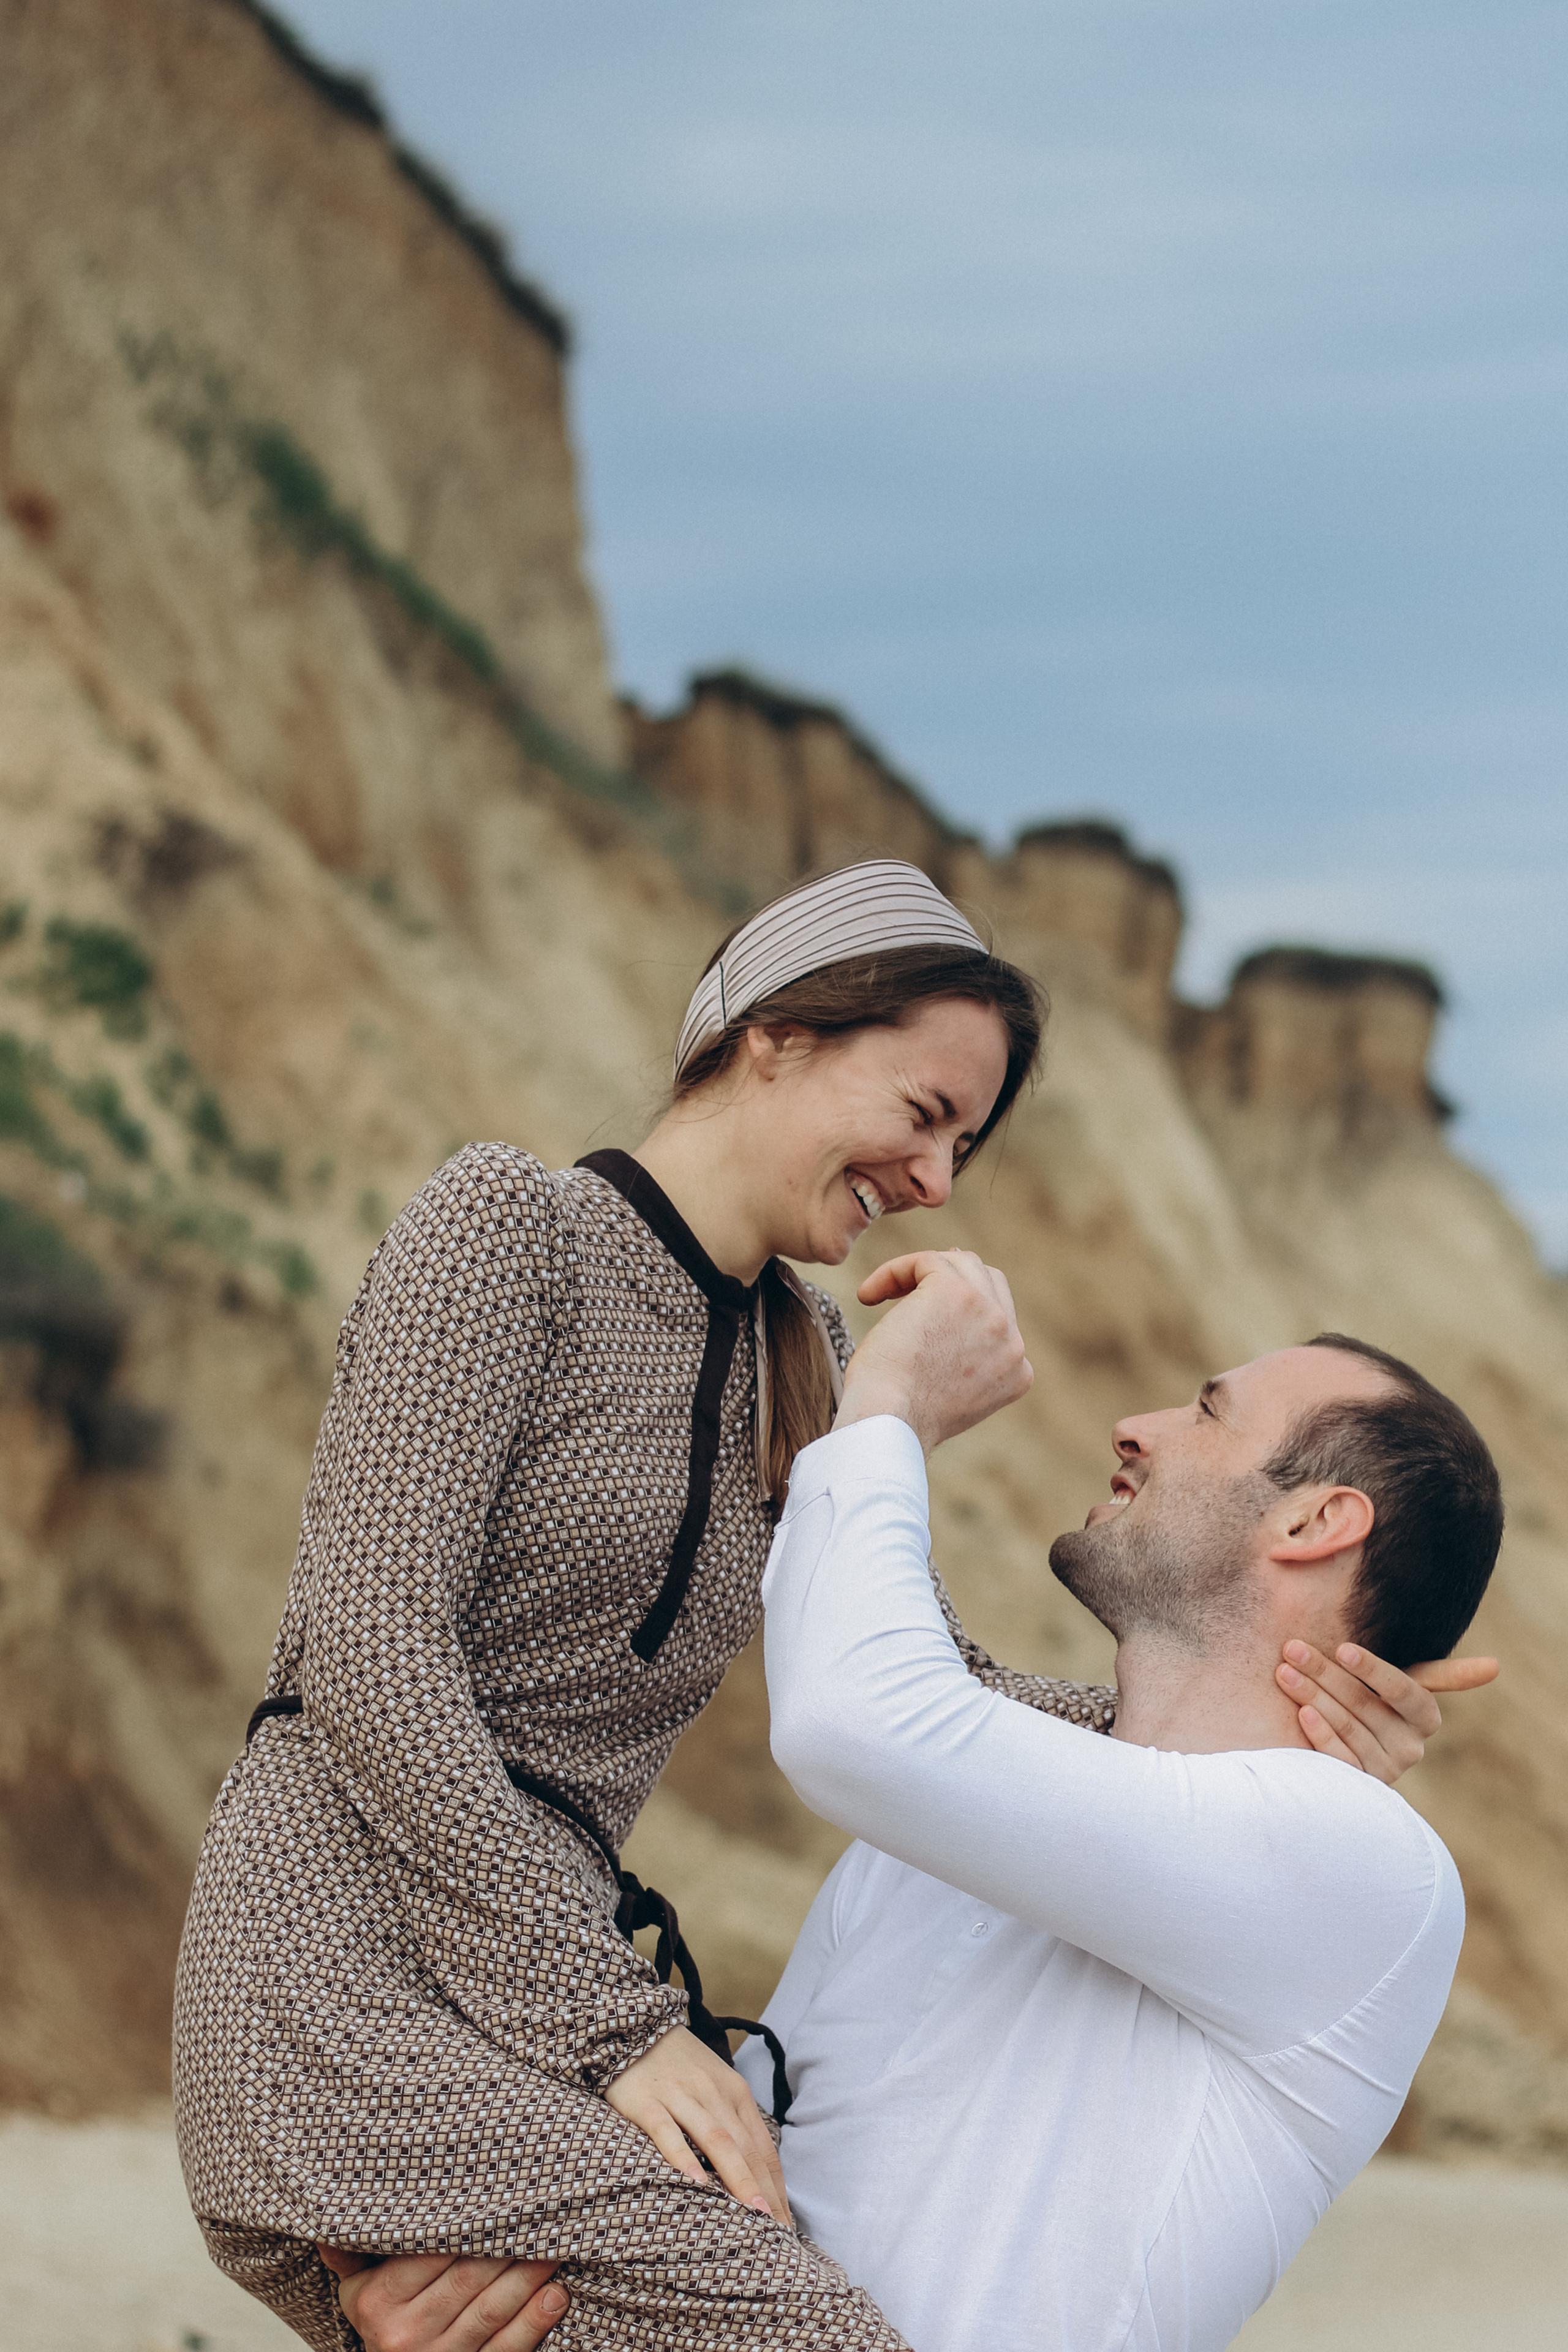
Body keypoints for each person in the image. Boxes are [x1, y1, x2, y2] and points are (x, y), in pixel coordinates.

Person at [174, 859, 1126, 2352]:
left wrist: (1239, 1715)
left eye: (964, 1149)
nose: (935, 1185)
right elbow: (365, 1644)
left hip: (533, 1998)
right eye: (924, 1114)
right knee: (808, 2331)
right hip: (334, 1972)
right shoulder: (510, 1229)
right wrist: (619, 2030)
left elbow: (934, 1686)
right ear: (779, 1036)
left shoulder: (801, 1353)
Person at [323, 1270, 1498, 2352]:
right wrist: (486, 2308)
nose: (1136, 1427)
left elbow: (853, 1720)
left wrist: (883, 1402)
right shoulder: (938, 1844)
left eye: (1206, 1410)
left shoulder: (1369, 1863)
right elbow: (752, 2179)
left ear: (1314, 1524)